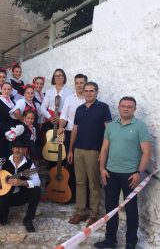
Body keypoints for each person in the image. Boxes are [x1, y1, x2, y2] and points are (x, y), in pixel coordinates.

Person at [93, 97, 151, 249]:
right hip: (110, 173)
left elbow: (146, 152)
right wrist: (102, 169)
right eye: (123, 106)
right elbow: (104, 149)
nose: (126, 109)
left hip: (130, 175)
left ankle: (131, 242)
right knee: (110, 208)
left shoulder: (140, 127)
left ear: (134, 109)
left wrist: (140, 172)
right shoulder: (111, 126)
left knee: (131, 209)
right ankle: (110, 240)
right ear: (118, 108)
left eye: (129, 107)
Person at [67, 82, 112, 226]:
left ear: (97, 92)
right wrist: (70, 149)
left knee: (93, 183)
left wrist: (104, 152)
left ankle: (94, 214)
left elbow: (108, 131)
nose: (88, 93)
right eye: (86, 91)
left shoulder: (103, 108)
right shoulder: (79, 109)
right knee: (80, 182)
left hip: (94, 151)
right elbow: (75, 129)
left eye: (91, 91)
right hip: (78, 150)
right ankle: (81, 211)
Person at [0, 138, 41, 233]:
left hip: (20, 196)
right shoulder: (2, 160)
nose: (17, 150)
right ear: (12, 149)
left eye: (20, 148)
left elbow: (37, 182)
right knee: (0, 213)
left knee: (37, 190)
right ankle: (3, 213)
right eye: (15, 147)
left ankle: (28, 219)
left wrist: (22, 182)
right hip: (3, 195)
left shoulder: (29, 164)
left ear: (25, 150)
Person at [57, 74, 87, 200]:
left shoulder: (89, 99)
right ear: (74, 84)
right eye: (77, 83)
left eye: (82, 82)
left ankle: (84, 196)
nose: (79, 85)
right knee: (70, 163)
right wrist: (60, 127)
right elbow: (64, 116)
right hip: (69, 133)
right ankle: (71, 194)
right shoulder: (69, 99)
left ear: (86, 84)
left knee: (84, 166)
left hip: (86, 134)